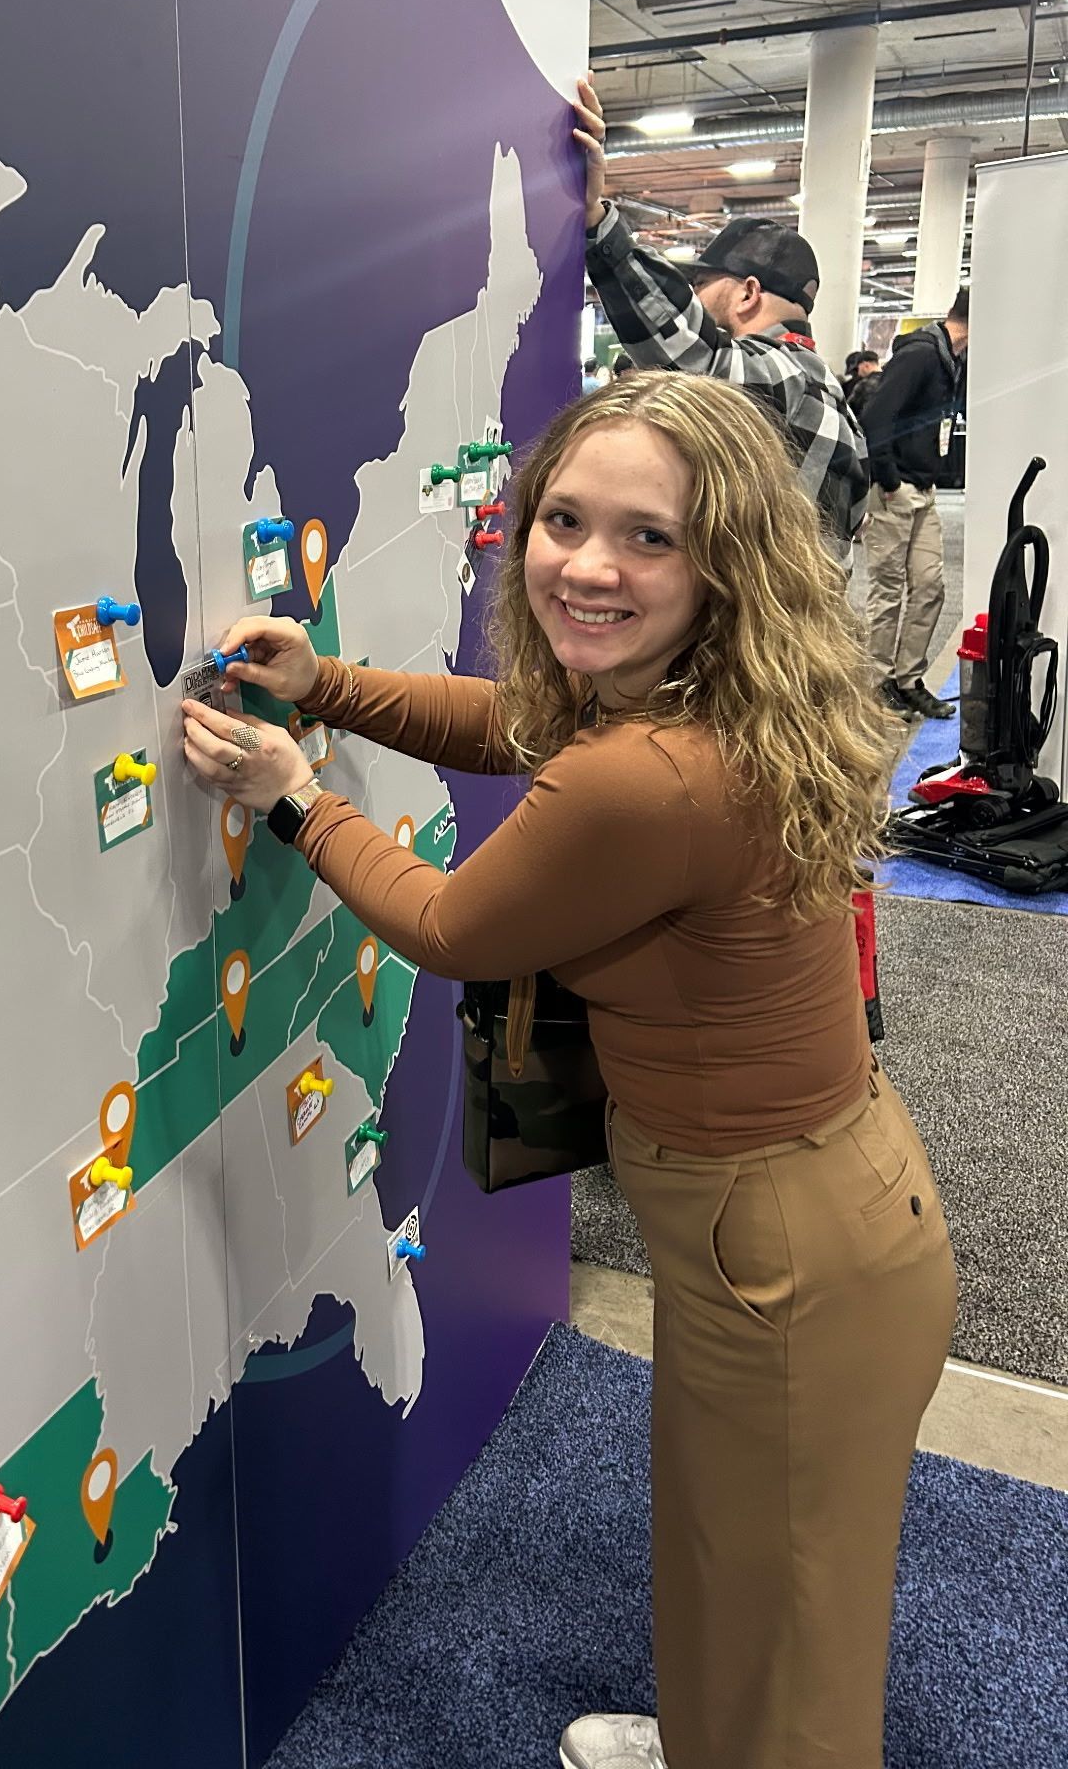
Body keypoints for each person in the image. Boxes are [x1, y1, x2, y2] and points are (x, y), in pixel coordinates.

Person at [183, 371, 956, 1769]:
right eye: (565, 520)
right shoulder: (713, 689)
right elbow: (510, 724)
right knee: (737, 1549)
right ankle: (715, 1737)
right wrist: (328, 685)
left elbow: (449, 926)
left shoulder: (649, 775)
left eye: (650, 536)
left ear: (725, 558)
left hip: (786, 1243)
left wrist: (293, 795)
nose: (590, 565)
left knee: (792, 1616)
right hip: (802, 1210)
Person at [572, 75, 869, 566]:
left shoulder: (785, 374)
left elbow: (694, 355)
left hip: (765, 612)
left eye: (704, 282)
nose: (695, 294)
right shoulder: (831, 395)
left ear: (748, 293)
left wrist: (598, 222)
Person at [859, 289, 970, 720]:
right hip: (895, 489)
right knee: (887, 589)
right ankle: (878, 683)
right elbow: (875, 420)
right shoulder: (921, 355)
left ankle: (908, 680)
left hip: (924, 490)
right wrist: (888, 480)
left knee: (929, 587)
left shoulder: (951, 360)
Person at [842, 347, 882, 424]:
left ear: (866, 365)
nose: (858, 373)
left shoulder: (864, 384)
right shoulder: (890, 379)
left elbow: (847, 412)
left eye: (858, 368)